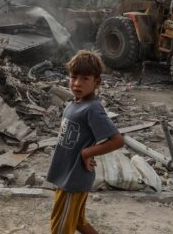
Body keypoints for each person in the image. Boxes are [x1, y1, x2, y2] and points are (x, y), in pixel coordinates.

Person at [46, 50, 124, 234]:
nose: (77, 83)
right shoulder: (74, 103)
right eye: (73, 77)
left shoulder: (93, 109)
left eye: (84, 79)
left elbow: (117, 140)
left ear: (97, 82)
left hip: (73, 179)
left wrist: (87, 152)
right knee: (79, 222)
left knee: (60, 228)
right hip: (66, 174)